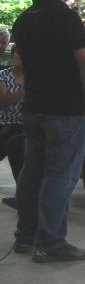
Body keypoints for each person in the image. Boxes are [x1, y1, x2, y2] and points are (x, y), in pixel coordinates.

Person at [12, 0, 85, 262]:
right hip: (65, 109)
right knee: (60, 176)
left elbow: (19, 64)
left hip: (34, 106)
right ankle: (50, 242)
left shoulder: (24, 18)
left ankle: (25, 236)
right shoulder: (66, 17)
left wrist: (33, 86)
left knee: (32, 172)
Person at [0, 48, 26, 196]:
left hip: (28, 123)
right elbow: (2, 102)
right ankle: (22, 193)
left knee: (14, 140)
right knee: (11, 136)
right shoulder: (3, 76)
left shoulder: (35, 76)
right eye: (19, 54)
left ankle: (22, 193)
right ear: (12, 57)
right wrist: (24, 91)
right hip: (5, 121)